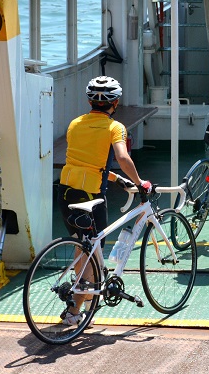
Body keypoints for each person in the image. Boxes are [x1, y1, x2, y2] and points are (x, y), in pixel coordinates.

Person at [57, 75, 152, 326]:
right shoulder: (114, 127)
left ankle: (87, 301)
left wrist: (117, 180)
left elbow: (85, 163)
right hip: (92, 197)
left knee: (82, 248)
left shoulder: (75, 124)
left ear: (89, 101)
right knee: (90, 250)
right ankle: (75, 311)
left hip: (66, 192)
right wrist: (139, 181)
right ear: (116, 102)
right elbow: (122, 158)